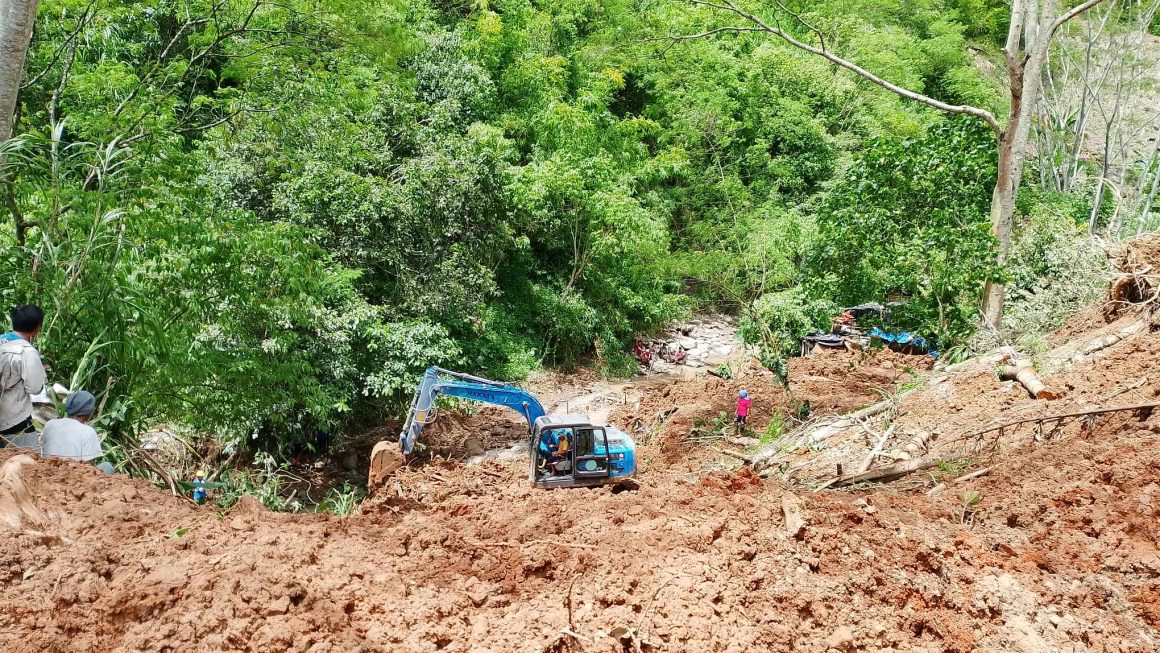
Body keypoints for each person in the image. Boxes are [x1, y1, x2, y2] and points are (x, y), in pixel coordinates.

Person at [0, 305, 46, 448]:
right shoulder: (27, 352)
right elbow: (34, 388)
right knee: (29, 462)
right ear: (37, 328)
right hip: (12, 418)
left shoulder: (2, 341)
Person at [41, 390, 111, 474]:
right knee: (107, 466)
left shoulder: (50, 424)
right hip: (73, 477)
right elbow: (87, 466)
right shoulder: (88, 432)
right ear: (88, 413)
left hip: (48, 473)